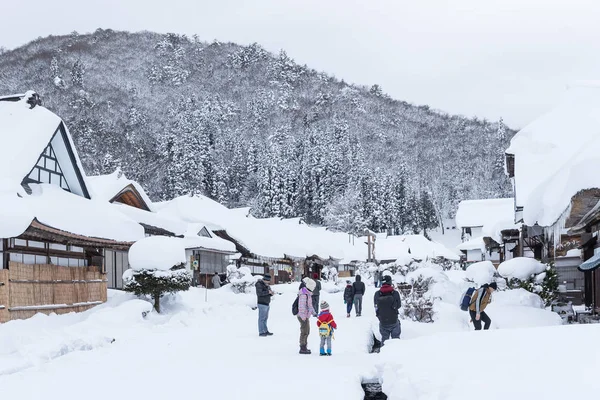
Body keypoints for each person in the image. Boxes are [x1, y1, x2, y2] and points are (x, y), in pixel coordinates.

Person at [374, 275, 401, 344]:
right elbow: (399, 305)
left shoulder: (377, 294)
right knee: (396, 340)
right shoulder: (395, 293)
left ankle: (383, 352)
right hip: (394, 320)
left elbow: (376, 307)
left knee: (384, 340)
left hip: (383, 321)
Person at [298, 277, 317, 354]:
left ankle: (304, 346)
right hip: (303, 316)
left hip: (305, 316)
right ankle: (302, 347)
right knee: (304, 331)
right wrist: (304, 317)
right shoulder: (304, 294)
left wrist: (314, 313)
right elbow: (302, 307)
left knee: (307, 331)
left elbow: (310, 305)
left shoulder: (307, 294)